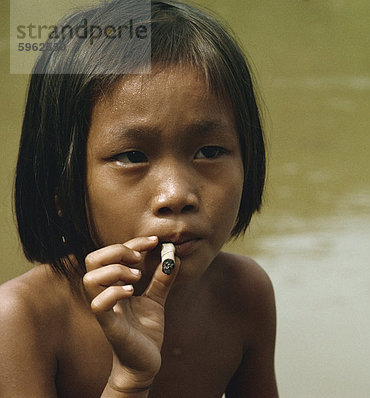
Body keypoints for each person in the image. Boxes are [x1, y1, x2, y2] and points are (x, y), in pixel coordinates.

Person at [0, 0, 278, 396]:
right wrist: (128, 382)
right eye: (132, 157)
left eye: (209, 151)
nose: (176, 195)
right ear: (59, 183)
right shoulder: (22, 320)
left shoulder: (244, 292)